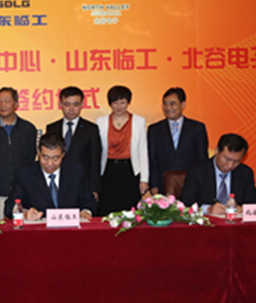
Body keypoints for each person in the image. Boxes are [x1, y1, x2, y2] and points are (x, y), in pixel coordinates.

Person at [4, 133, 97, 221]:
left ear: (63, 154)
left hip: (70, 227)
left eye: (55, 158)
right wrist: (24, 214)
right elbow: (9, 207)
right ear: (38, 152)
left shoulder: (76, 171)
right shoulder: (25, 174)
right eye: (45, 158)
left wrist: (86, 211)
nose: (50, 163)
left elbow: (89, 200)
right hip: (39, 228)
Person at [0, 87, 38, 220]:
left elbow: (30, 158)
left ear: (16, 104)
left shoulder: (28, 129)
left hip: (23, 189)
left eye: (7, 101)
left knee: (21, 226)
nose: (2, 105)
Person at [95, 85, 149, 215]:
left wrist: (144, 179)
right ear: (110, 103)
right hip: (108, 171)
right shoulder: (101, 122)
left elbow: (143, 151)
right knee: (107, 210)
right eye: (115, 102)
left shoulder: (138, 121)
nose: (119, 106)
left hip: (130, 171)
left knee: (130, 212)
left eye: (123, 102)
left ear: (128, 102)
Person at [147, 87, 209, 195]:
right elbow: (152, 160)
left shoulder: (197, 128)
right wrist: (154, 185)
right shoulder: (154, 129)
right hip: (163, 186)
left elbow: (202, 159)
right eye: (165, 104)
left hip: (191, 185)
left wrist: (202, 183)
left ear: (183, 104)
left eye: (172, 104)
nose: (168, 108)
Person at [179, 133, 256, 216]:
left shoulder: (245, 173)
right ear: (217, 151)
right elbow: (186, 203)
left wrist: (244, 209)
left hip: (234, 221)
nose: (230, 165)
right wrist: (208, 209)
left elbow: (253, 203)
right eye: (227, 159)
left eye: (237, 161)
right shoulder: (197, 170)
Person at [45, 86, 101, 198]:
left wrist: (94, 189)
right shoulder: (52, 128)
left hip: (82, 184)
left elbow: (95, 161)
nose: (71, 108)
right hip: (57, 184)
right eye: (67, 104)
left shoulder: (91, 129)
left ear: (82, 105)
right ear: (60, 105)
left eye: (75, 104)